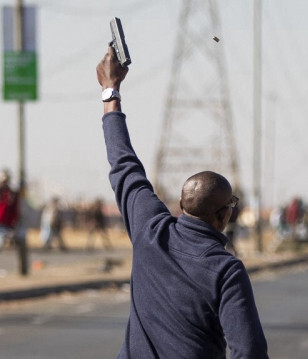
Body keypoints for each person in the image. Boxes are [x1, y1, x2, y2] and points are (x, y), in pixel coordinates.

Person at [96, 47, 269, 358]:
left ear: (180, 203)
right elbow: (250, 351)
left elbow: (123, 163)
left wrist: (111, 91)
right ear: (224, 215)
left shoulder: (150, 230)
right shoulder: (226, 272)